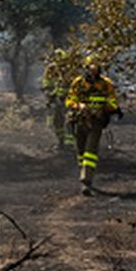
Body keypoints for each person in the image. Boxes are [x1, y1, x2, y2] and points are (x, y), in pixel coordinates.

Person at [64, 56, 121, 194]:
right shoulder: (78, 83)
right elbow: (69, 100)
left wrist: (104, 108)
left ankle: (86, 180)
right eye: (91, 68)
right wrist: (79, 106)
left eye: (96, 68)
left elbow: (114, 102)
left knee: (91, 151)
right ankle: (84, 174)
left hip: (96, 122)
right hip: (79, 120)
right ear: (86, 69)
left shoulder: (106, 84)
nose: (94, 71)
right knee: (81, 152)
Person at [41, 50, 76, 153]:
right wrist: (49, 94)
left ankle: (70, 144)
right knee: (57, 122)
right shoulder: (50, 70)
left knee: (69, 121)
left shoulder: (70, 70)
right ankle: (61, 142)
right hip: (56, 101)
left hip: (69, 100)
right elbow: (46, 83)